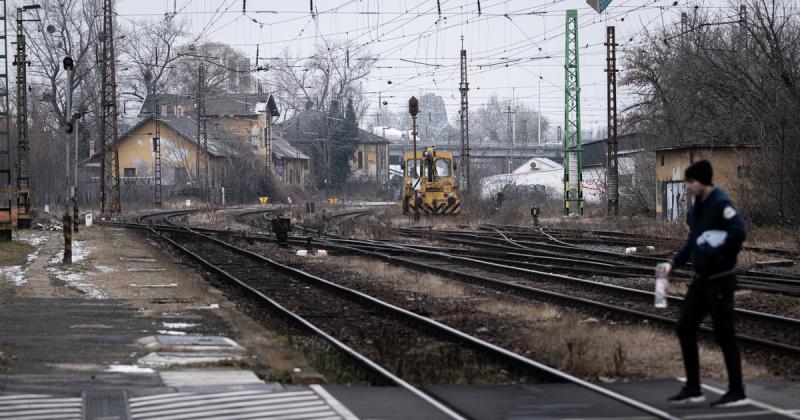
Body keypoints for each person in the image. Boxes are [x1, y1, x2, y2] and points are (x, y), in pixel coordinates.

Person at [660, 160, 749, 408]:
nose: (687, 186)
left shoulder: (721, 203)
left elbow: (738, 233)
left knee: (724, 334)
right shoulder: (697, 207)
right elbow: (692, 242)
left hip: (720, 279)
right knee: (685, 327)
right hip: (701, 280)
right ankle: (693, 388)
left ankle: (736, 391)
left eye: (690, 181)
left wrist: (716, 251)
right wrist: (673, 263)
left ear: (702, 181)